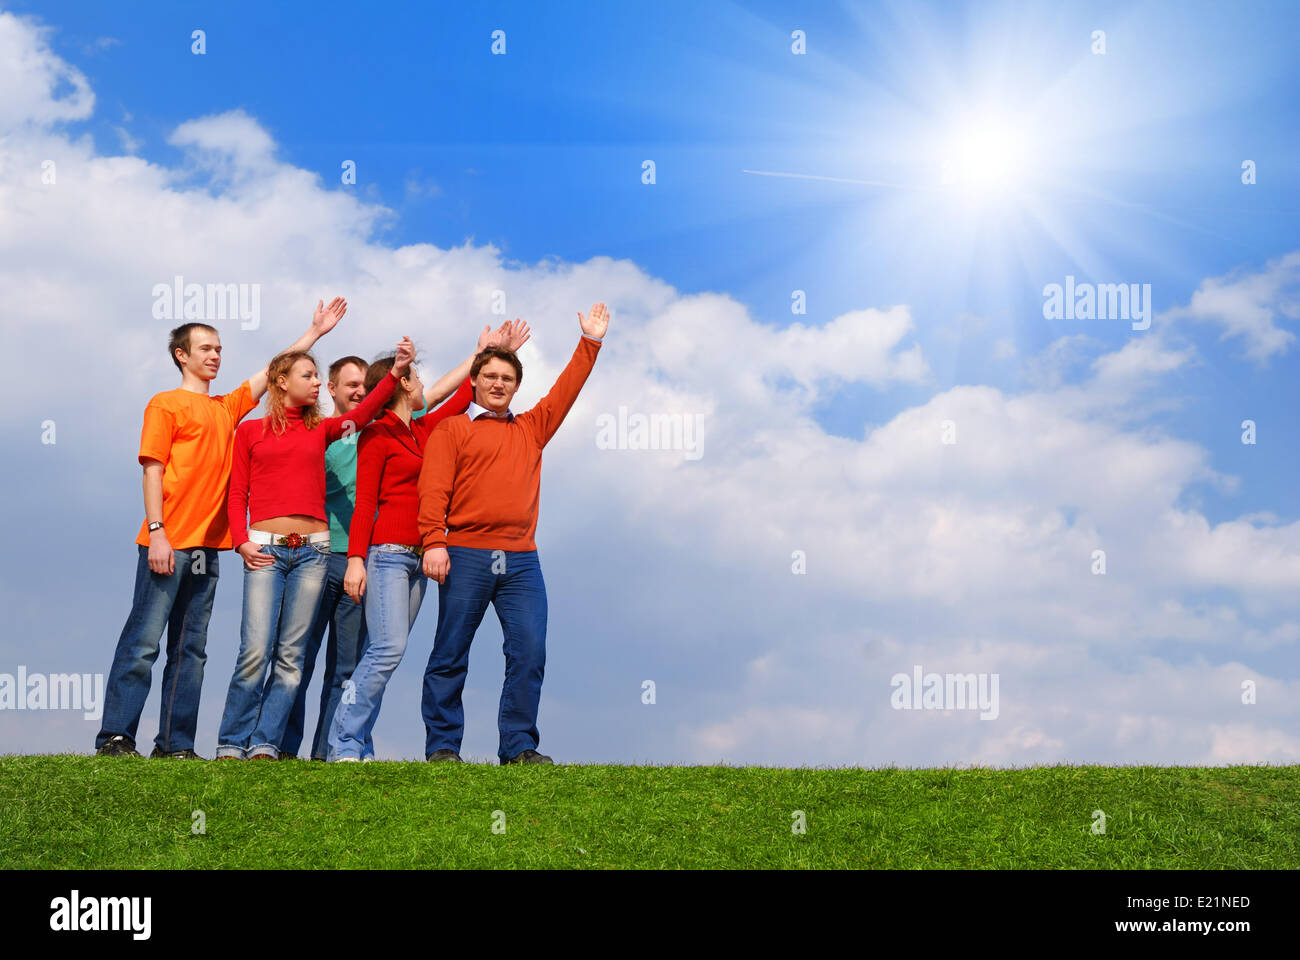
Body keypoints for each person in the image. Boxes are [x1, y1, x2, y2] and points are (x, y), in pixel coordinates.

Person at [95, 299, 351, 758]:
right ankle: (116, 736)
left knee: (191, 651)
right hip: (167, 542)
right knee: (144, 643)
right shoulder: (165, 404)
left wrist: (314, 333)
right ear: (182, 356)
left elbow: (276, 370)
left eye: (219, 349)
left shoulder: (227, 407)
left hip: (207, 551)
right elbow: (152, 470)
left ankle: (175, 745)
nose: (215, 356)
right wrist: (157, 531)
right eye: (206, 349)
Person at [280, 320, 529, 760]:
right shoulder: (375, 436)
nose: (423, 387)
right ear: (402, 383)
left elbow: (464, 398)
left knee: (386, 654)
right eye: (416, 379)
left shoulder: (423, 430)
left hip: (421, 560)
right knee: (386, 649)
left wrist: (490, 357)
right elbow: (365, 505)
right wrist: (356, 560)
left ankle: (357, 743)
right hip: (388, 555)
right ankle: (344, 742)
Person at [417, 302, 609, 765]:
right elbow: (434, 488)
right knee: (451, 650)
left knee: (530, 651)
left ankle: (519, 746)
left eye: (507, 378)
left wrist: (591, 342)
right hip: (463, 553)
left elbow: (566, 391)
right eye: (491, 377)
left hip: (522, 559)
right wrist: (433, 541)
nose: (499, 383)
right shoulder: (452, 429)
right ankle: (443, 746)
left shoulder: (532, 428)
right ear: (476, 384)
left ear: (516, 386)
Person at [215, 333, 413, 760]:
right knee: (255, 650)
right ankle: (232, 741)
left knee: (291, 657)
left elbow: (362, 414)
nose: (318, 383)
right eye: (309, 375)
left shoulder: (322, 431)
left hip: (314, 552)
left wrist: (395, 372)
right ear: (281, 381)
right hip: (265, 550)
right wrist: (240, 542)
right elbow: (237, 494)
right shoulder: (249, 431)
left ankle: (266, 744)